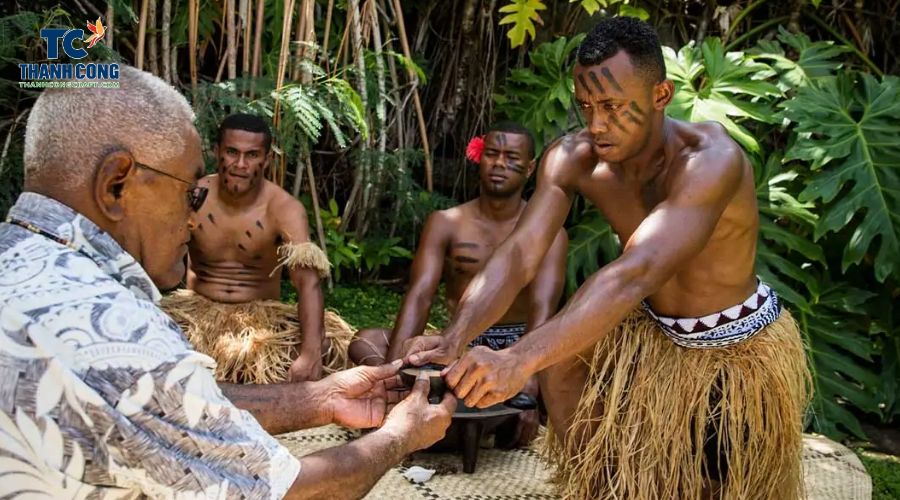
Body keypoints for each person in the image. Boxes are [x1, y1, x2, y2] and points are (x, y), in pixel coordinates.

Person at [403, 17, 811, 500]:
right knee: (562, 365)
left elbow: (634, 272)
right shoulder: (573, 158)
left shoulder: (710, 161)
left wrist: (517, 359)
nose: (597, 125)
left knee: (718, 487)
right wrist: (456, 337)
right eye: (587, 107)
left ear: (661, 95)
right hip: (648, 328)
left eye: (614, 107)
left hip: (732, 344)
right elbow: (518, 253)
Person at [0, 65, 454, 499]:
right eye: (189, 192)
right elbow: (286, 493)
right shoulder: (119, 335)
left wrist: (321, 396)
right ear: (117, 184)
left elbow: (160, 406)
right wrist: (399, 437)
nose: (193, 216)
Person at [348, 122, 567, 447]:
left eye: (511, 157)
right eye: (492, 154)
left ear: (531, 167)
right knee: (365, 341)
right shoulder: (447, 222)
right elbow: (420, 296)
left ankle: (490, 413)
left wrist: (529, 389)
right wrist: (394, 374)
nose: (499, 164)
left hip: (518, 347)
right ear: (479, 158)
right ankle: (443, 409)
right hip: (460, 340)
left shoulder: (551, 235)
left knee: (565, 365)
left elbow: (543, 308)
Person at [162, 113, 352, 384]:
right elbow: (159, 251)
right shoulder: (194, 195)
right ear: (217, 152)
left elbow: (307, 284)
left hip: (260, 321)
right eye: (231, 152)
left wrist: (310, 353)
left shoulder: (284, 209)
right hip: (195, 315)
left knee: (330, 349)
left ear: (266, 159)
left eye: (252, 155)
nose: (240, 164)